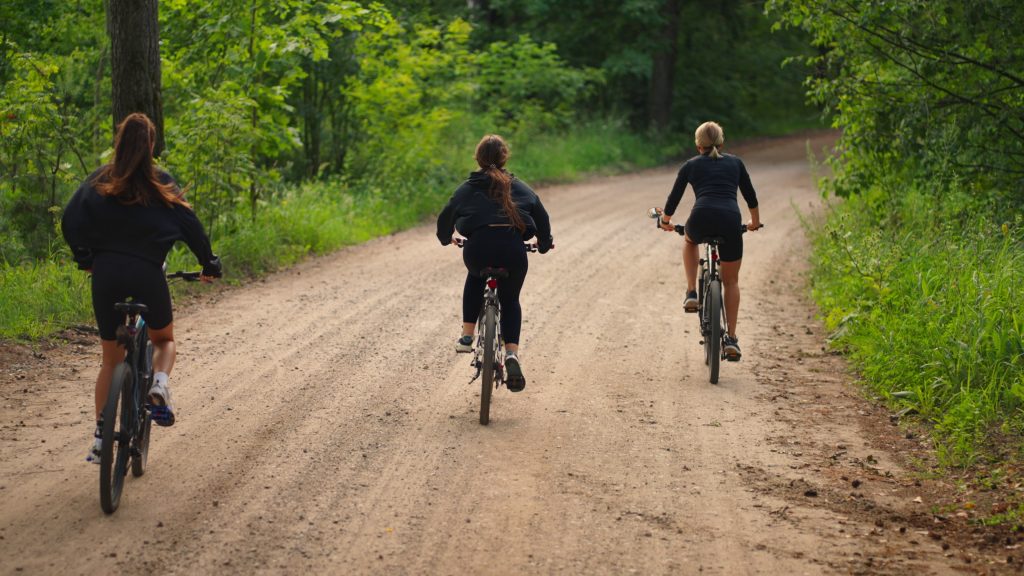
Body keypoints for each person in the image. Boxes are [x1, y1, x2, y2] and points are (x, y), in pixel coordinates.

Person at [62, 112, 222, 463]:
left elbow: (70, 219)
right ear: (151, 145)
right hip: (147, 273)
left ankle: (102, 436)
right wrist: (209, 263)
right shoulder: (161, 183)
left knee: (110, 360)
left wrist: (84, 258)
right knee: (163, 339)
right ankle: (159, 384)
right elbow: (191, 226)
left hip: (105, 275)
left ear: (118, 142)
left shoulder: (98, 180)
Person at [436, 134, 553, 392]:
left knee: (475, 277)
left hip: (478, 249)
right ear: (505, 157)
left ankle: (468, 335)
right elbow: (541, 216)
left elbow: (447, 214)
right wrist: (544, 244)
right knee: (510, 300)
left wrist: (446, 238)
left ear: (477, 158)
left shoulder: (468, 187)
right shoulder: (519, 186)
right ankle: (511, 353)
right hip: (513, 249)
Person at [659, 121, 760, 360]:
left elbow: (673, 198)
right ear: (722, 143)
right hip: (730, 221)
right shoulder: (736, 163)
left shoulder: (690, 165)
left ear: (698, 145)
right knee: (731, 281)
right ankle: (732, 340)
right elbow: (751, 196)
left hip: (701, 217)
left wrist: (665, 221)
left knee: (690, 240)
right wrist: (754, 222)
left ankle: (692, 292)